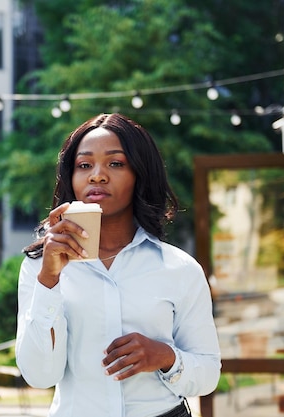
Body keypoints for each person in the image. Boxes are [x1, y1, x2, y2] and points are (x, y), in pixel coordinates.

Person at [15, 113, 221, 417]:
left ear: (140, 173)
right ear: (71, 177)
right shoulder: (39, 268)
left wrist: (163, 357)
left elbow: (207, 374)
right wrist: (49, 280)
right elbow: (39, 376)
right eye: (84, 165)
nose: (97, 175)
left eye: (116, 163)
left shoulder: (179, 269)